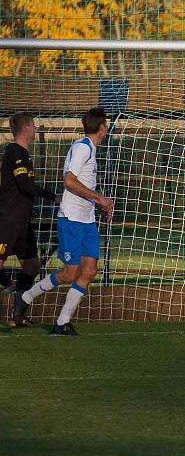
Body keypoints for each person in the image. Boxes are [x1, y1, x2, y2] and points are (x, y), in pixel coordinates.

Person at [16, 107, 114, 336]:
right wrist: (99, 197)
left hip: (87, 219)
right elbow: (69, 181)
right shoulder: (82, 148)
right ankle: (26, 296)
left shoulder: (90, 149)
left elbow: (83, 186)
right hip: (71, 219)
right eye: (106, 124)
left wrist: (97, 205)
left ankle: (62, 322)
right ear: (102, 127)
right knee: (70, 273)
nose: (107, 128)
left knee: (89, 271)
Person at [0, 112, 60, 327]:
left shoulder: (24, 153)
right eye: (33, 124)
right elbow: (25, 184)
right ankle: (7, 283)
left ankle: (17, 314)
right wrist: (54, 196)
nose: (35, 127)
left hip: (23, 221)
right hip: (9, 220)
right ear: (26, 128)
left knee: (32, 267)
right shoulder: (14, 151)